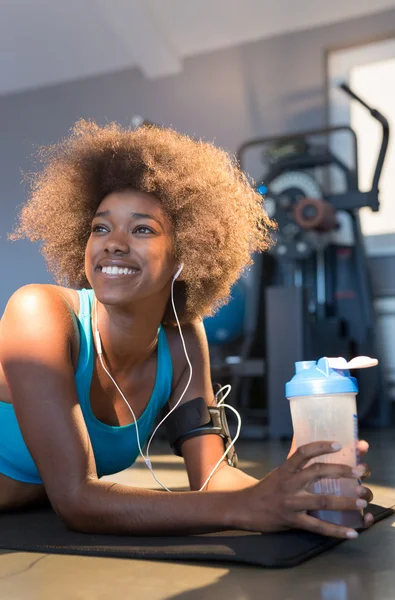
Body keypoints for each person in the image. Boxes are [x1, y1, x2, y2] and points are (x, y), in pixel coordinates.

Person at [0, 121, 372, 538]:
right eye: (100, 227)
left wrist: (290, 489)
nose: (113, 243)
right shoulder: (38, 314)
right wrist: (247, 506)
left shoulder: (181, 340)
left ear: (184, 258)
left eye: (142, 229)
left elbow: (213, 479)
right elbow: (76, 500)